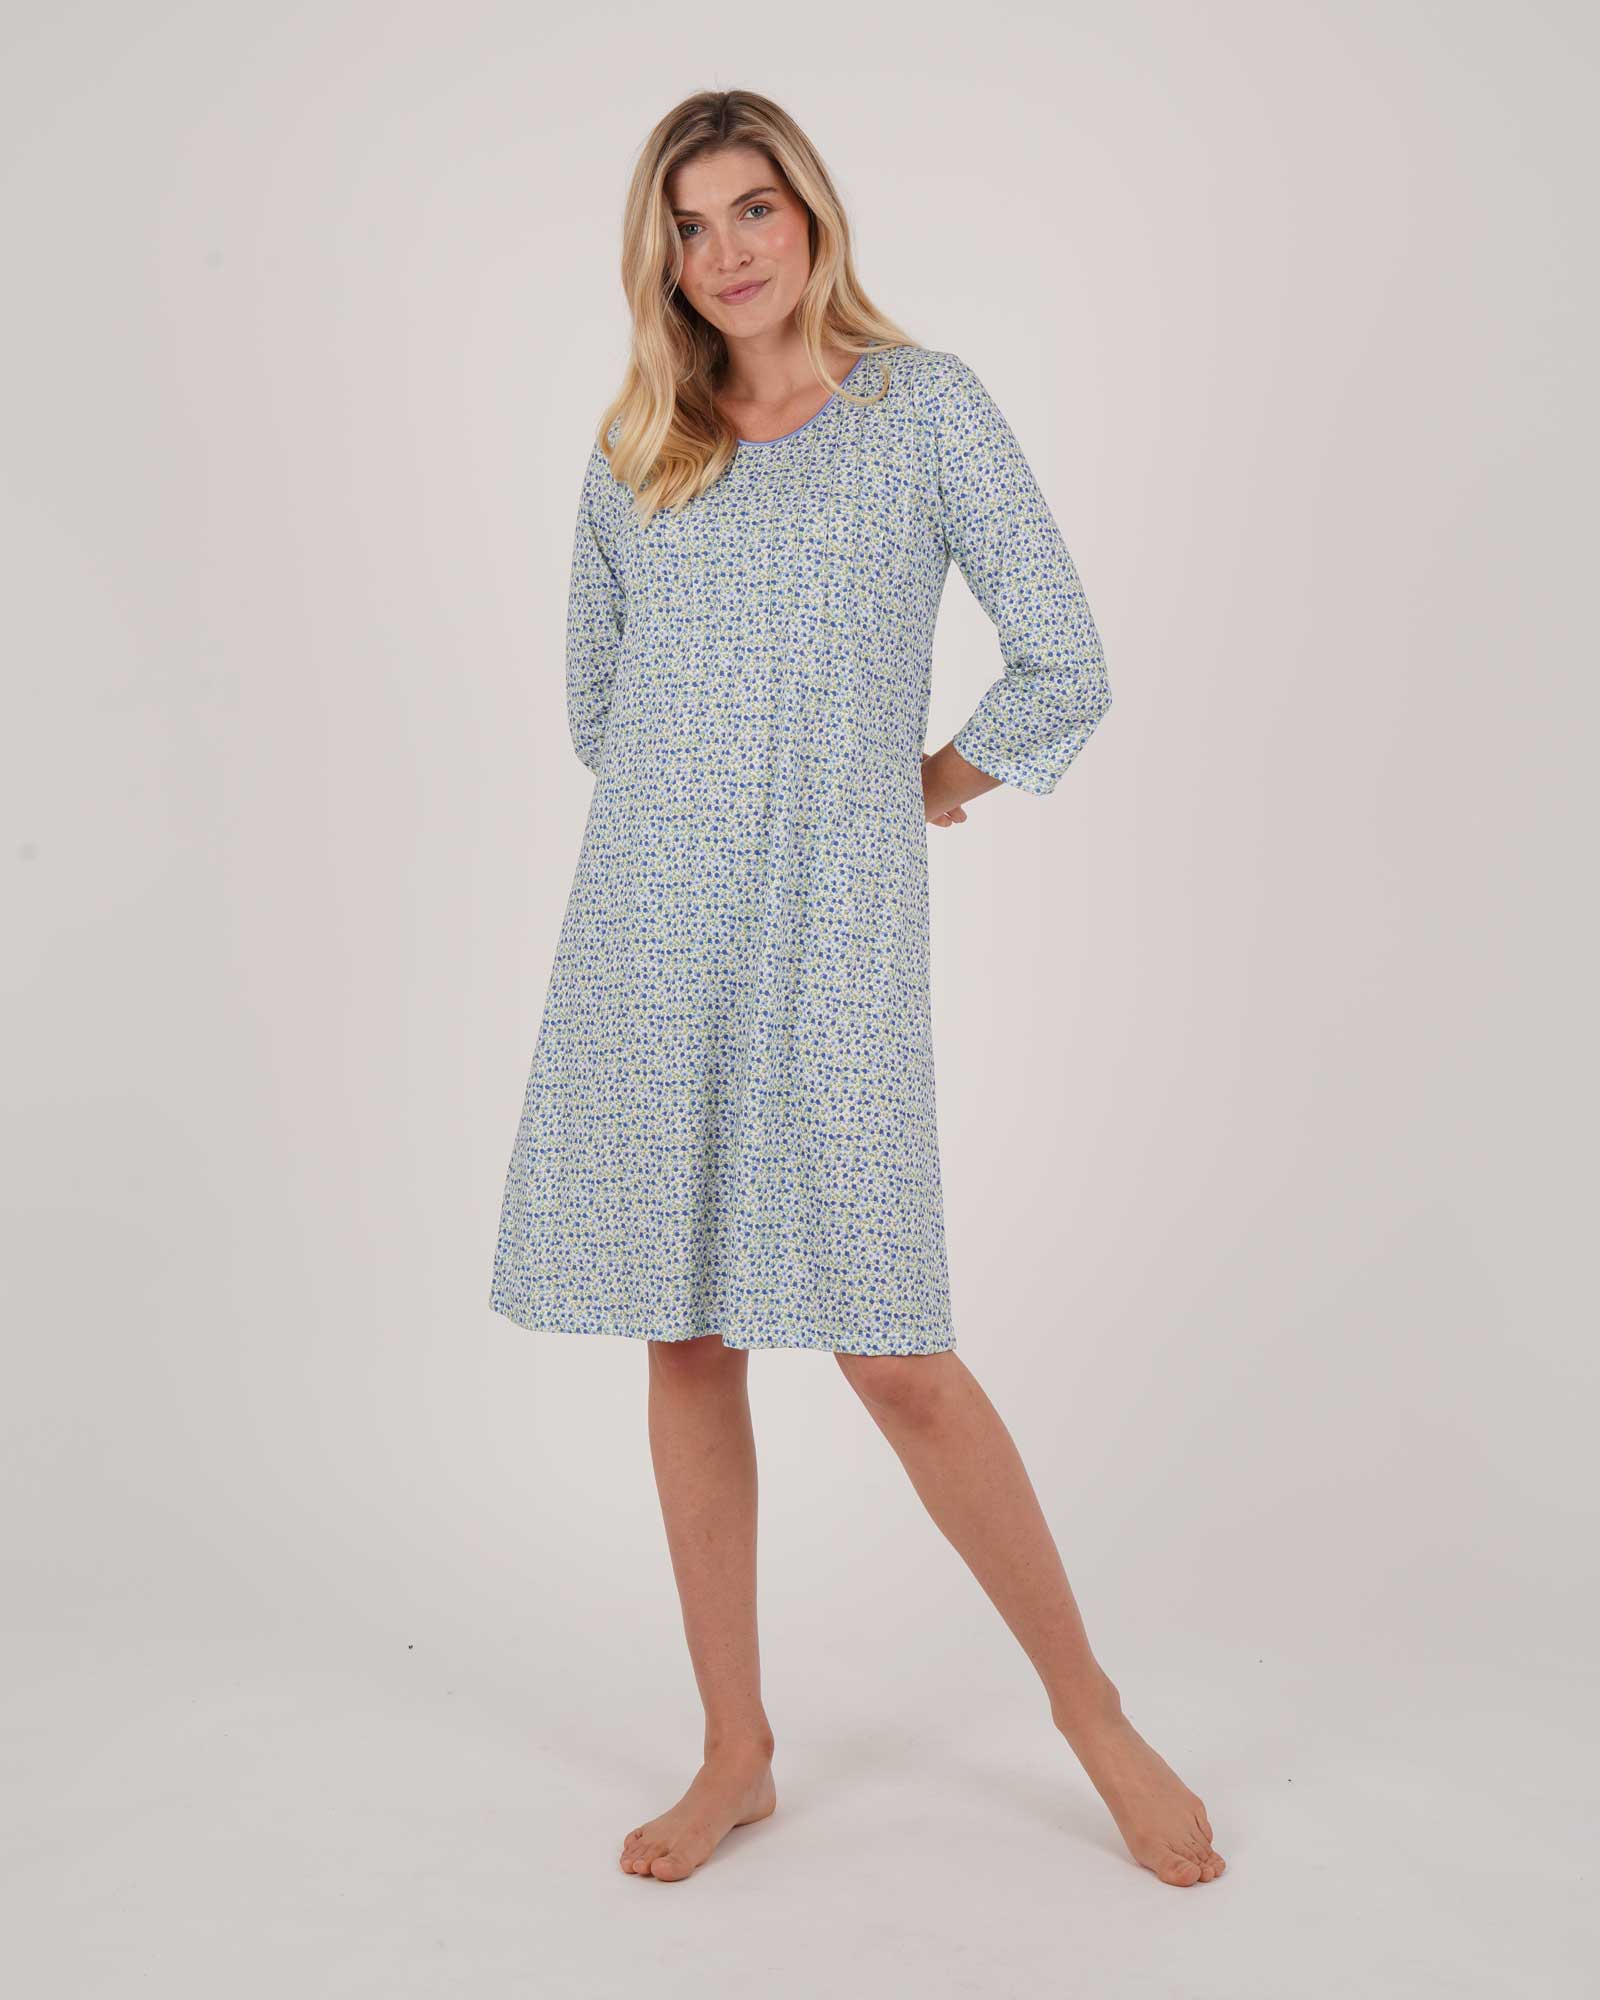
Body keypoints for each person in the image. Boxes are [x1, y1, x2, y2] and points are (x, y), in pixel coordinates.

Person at [489, 87, 1226, 1890]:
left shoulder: (925, 412)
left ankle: (1092, 1712)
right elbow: (600, 708)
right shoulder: (639, 447)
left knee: (894, 1352)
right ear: (660, 257)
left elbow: (1063, 660)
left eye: (753, 208)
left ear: (812, 215)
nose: (725, 250)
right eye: (689, 225)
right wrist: (716, 797)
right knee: (686, 1332)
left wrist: (915, 787)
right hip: (651, 935)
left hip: (834, 935)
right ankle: (734, 1749)